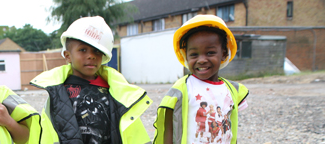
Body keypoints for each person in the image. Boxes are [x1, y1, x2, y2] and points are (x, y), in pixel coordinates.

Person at [30, 16, 153, 143]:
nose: (91, 56)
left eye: (97, 51)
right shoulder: (58, 93)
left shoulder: (117, 91)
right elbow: (47, 134)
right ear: (68, 56)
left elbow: (133, 132)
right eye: (83, 50)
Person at [152, 15, 249, 144]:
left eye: (210, 53)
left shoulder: (232, 90)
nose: (202, 60)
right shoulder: (183, 88)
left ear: (224, 53)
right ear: (185, 56)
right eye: (194, 54)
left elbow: (230, 127)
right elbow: (169, 127)